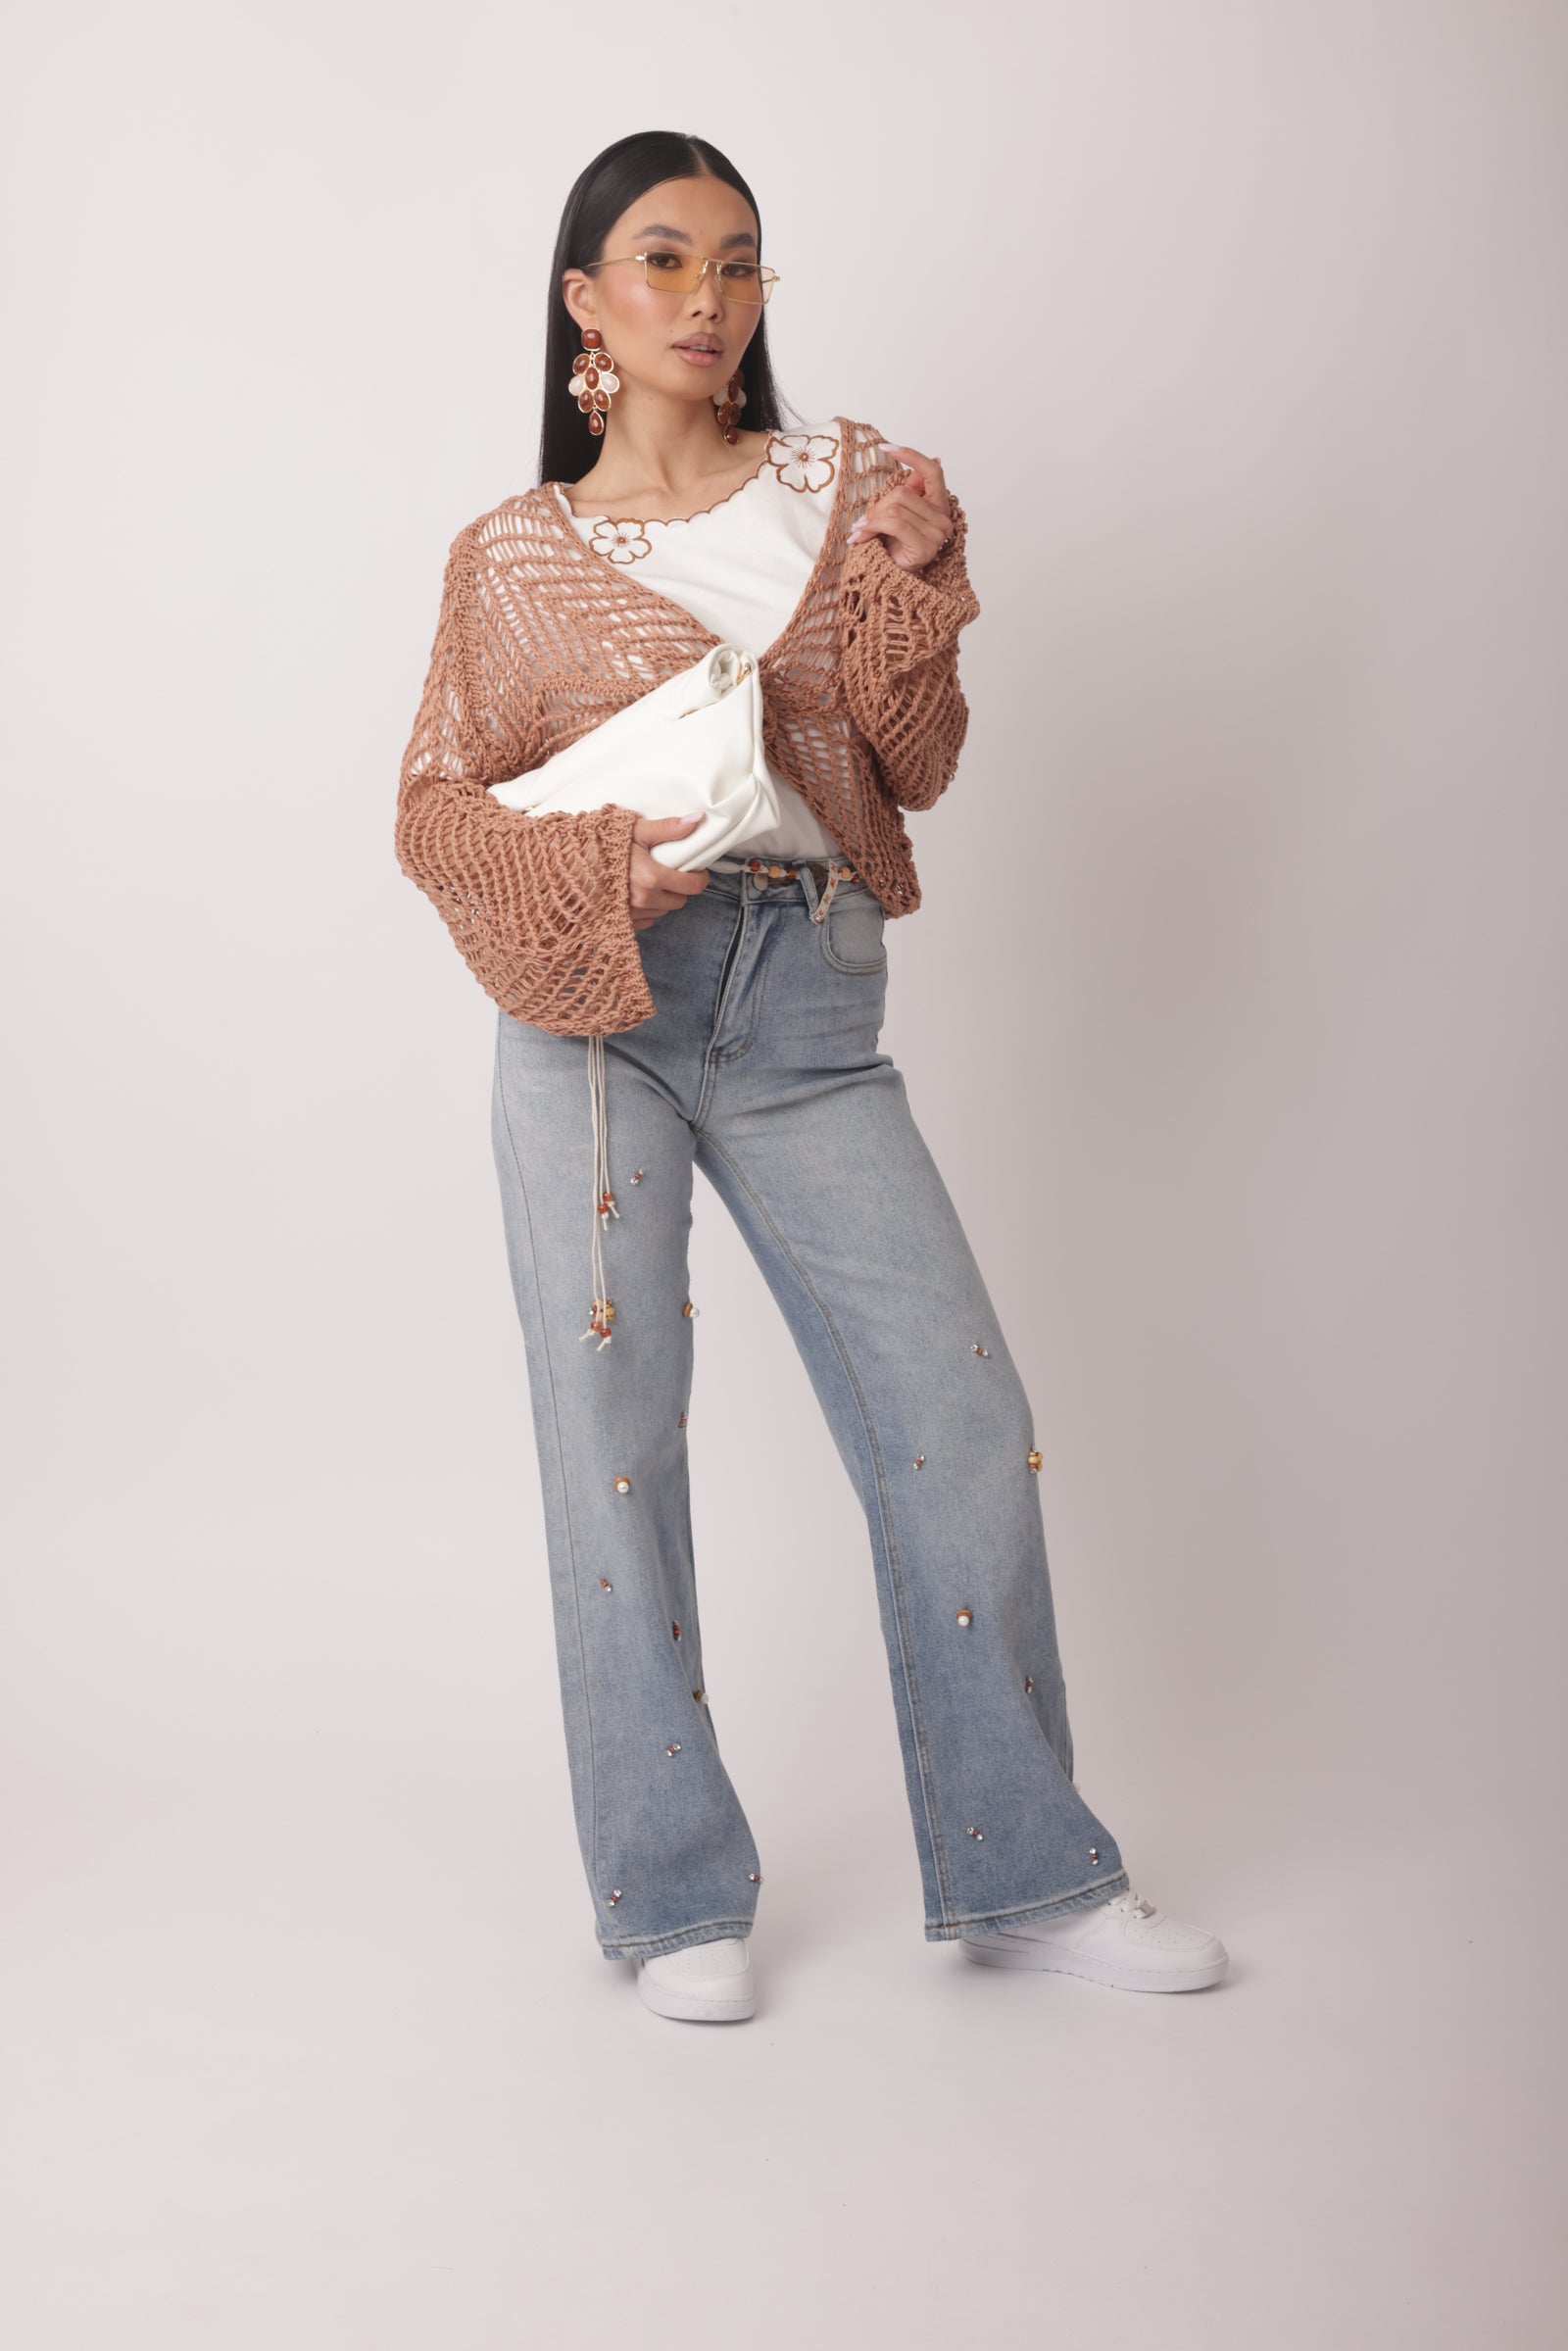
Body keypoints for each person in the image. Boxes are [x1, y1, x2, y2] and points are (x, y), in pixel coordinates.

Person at [394, 129, 1228, 2024]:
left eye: (741, 262)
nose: (708, 298)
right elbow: (435, 812)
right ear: (585, 299)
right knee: (613, 1439)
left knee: (957, 1417)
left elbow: (911, 766)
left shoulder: (849, 481)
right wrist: (587, 871)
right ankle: (673, 1896)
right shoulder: (510, 560)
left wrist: (916, 587)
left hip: (809, 1003)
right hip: (595, 1011)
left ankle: (1027, 1869)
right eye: (664, 259)